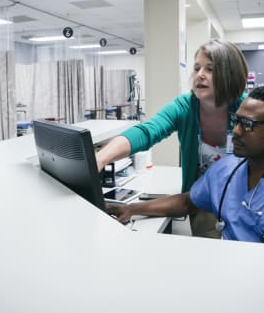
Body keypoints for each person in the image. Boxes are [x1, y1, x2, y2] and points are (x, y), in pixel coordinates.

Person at [106, 86, 264, 250]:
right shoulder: (227, 169)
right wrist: (131, 209)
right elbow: (188, 202)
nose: (235, 131)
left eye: (247, 125)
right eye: (236, 121)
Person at [96, 39, 249, 239]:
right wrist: (100, 158)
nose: (200, 75)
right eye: (196, 68)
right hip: (201, 203)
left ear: (229, 74)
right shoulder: (185, 107)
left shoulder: (248, 110)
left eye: (210, 69)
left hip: (244, 203)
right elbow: (147, 131)